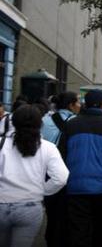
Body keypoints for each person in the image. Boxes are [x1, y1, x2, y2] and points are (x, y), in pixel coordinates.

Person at [60, 90, 102, 247]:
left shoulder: (71, 125)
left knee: (78, 230)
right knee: (100, 228)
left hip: (75, 187)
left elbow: (61, 156)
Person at [0, 105, 69, 247]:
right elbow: (61, 177)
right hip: (30, 206)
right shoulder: (48, 147)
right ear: (40, 123)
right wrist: (42, 191)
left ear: (13, 122)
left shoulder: (1, 143)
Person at [41, 91, 81, 247]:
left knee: (51, 211)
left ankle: (51, 239)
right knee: (66, 211)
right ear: (71, 104)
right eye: (77, 102)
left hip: (46, 172)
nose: (79, 105)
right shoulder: (76, 122)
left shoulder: (45, 119)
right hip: (67, 171)